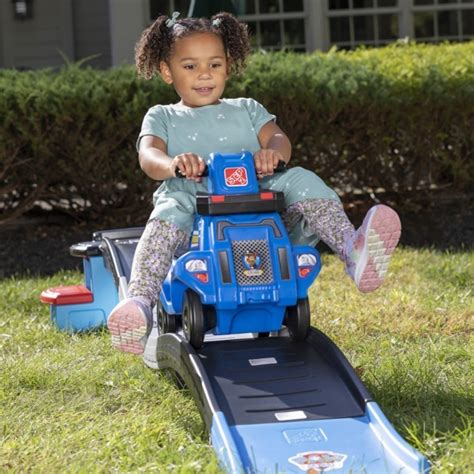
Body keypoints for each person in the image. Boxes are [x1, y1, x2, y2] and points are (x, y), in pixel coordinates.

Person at [107, 11, 401, 354]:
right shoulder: (163, 115)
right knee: (167, 213)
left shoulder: (247, 108)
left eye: (214, 64)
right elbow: (148, 156)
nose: (204, 74)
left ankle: (354, 251)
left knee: (301, 179)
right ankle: (140, 301)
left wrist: (271, 154)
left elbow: (278, 138)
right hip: (194, 206)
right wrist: (173, 163)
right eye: (190, 66)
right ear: (166, 71)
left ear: (228, 66)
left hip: (257, 204)